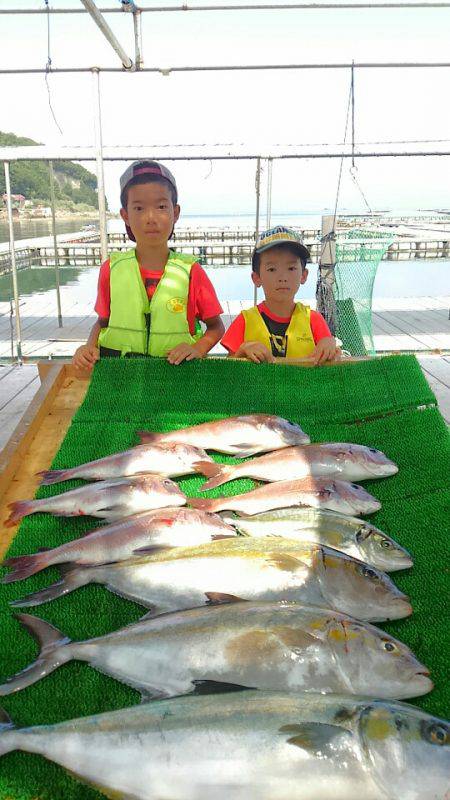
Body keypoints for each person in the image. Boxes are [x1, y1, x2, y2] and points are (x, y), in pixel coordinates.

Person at [73, 160, 224, 371]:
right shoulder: (112, 269)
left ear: (176, 212)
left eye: (161, 206)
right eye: (139, 208)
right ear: (125, 215)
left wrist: (198, 349)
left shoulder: (191, 272)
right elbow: (102, 322)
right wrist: (88, 347)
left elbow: (216, 327)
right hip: (122, 377)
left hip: (176, 376)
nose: (151, 218)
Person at [221, 226, 339, 364]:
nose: (282, 277)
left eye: (291, 268)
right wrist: (241, 352)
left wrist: (330, 347)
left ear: (304, 275)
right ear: (256, 278)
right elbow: (228, 372)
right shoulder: (244, 321)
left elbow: (329, 363)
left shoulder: (314, 320)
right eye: (272, 269)